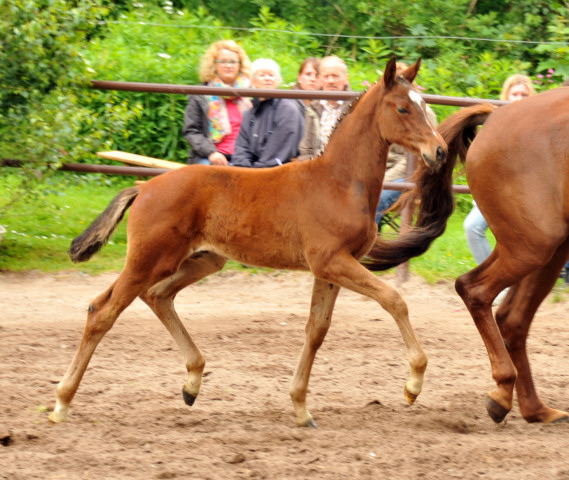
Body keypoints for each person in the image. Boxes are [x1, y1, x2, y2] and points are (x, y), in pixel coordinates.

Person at [464, 73, 536, 303]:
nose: (518, 98)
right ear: (505, 95)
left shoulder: (538, 123)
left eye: (523, 94)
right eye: (514, 94)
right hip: (501, 195)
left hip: (529, 197)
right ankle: (500, 288)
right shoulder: (495, 123)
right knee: (472, 226)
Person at [375, 62, 438, 229]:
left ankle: (370, 245)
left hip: (407, 176)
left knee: (376, 199)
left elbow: (413, 160)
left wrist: (382, 180)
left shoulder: (425, 116)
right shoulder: (387, 113)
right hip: (384, 174)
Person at [182, 40, 252, 165]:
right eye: (223, 61)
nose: (228, 66)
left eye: (233, 62)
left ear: (240, 65)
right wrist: (211, 153)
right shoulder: (201, 94)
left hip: (245, 156)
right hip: (211, 156)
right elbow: (191, 131)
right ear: (214, 64)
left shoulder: (251, 93)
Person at [231, 59, 305, 168]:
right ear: (253, 81)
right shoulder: (249, 113)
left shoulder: (288, 110)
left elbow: (278, 155)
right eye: (262, 75)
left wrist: (253, 173)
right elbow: (241, 148)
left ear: (278, 80)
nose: (267, 79)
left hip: (277, 173)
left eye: (271, 75)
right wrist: (242, 170)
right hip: (250, 173)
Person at [296, 55, 352, 161]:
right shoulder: (313, 108)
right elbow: (306, 150)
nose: (330, 81)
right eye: (326, 76)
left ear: (346, 78)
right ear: (320, 80)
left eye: (335, 76)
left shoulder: (356, 106)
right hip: (317, 168)